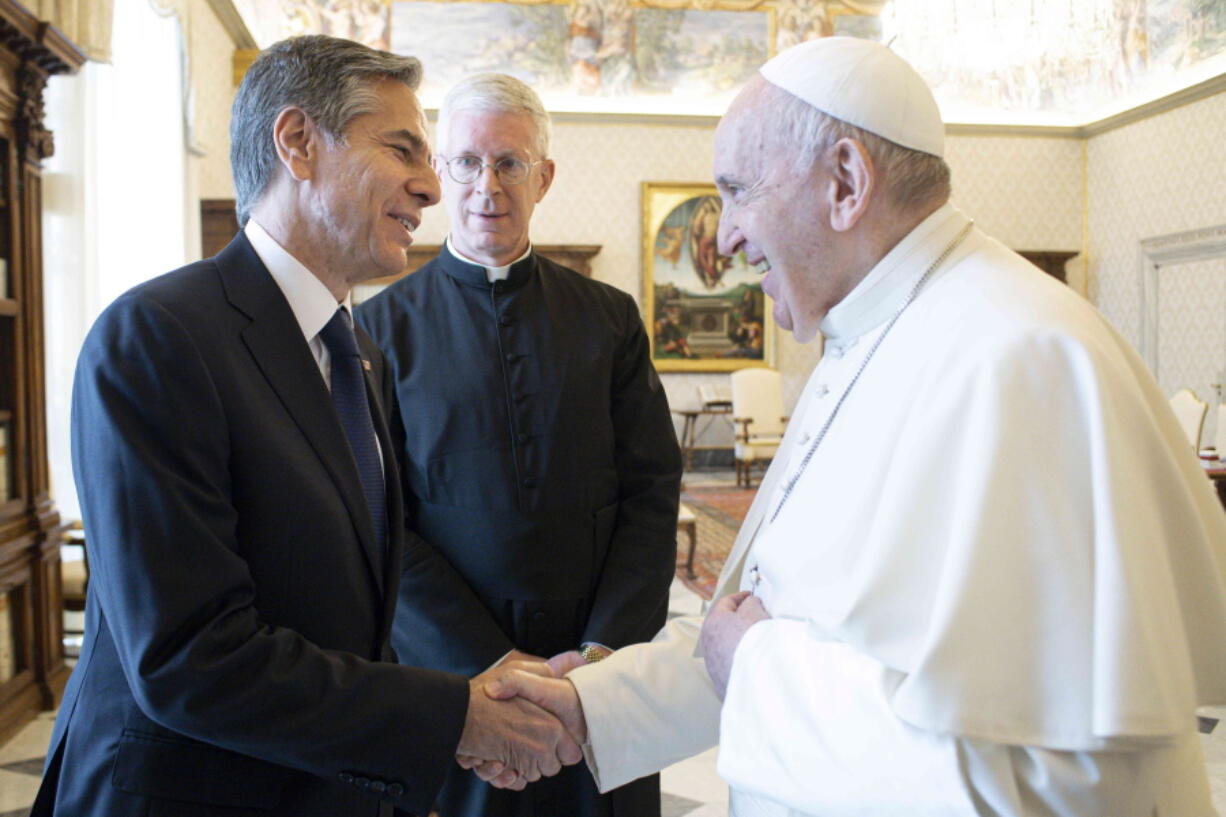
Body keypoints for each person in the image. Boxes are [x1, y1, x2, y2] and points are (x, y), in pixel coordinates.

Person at [480, 37, 1226, 815]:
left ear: (844, 181)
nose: (725, 234)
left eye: (736, 190)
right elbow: (764, 634)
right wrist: (592, 705)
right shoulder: (869, 333)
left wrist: (760, 669)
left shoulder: (1020, 359)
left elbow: (1051, 784)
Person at [33, 36, 581, 817]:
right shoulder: (158, 336)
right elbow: (191, 658)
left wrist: (447, 708)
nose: (432, 187)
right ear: (297, 143)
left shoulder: (358, 353)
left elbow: (341, 618)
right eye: (402, 149)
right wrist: (454, 717)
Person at [356, 72, 681, 817]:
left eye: (510, 163)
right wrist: (487, 661)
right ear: (439, 174)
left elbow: (652, 491)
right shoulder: (380, 331)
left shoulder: (608, 318)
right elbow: (380, 519)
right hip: (459, 683)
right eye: (467, 162)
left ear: (545, 176)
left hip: (597, 679)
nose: (487, 186)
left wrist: (599, 657)